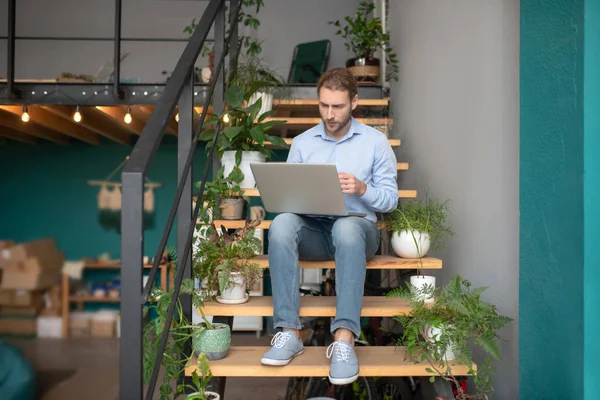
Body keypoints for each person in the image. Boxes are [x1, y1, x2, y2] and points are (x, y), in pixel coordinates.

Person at [260, 68, 399, 385]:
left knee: (346, 229)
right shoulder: (303, 142)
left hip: (357, 231)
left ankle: (344, 339)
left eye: (337, 106)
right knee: (281, 224)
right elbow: (289, 195)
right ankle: (289, 332)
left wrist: (362, 189)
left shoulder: (376, 143)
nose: (330, 114)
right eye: (324, 105)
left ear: (354, 102)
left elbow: (390, 200)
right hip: (315, 230)